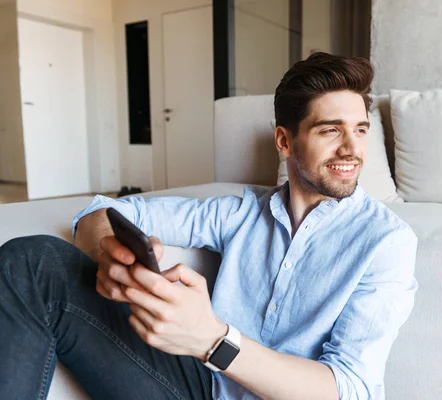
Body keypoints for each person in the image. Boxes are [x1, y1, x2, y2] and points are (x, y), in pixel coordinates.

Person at [0, 52, 418, 399]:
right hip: (199, 388)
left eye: (360, 131)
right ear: (284, 141)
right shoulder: (240, 212)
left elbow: (350, 387)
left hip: (220, 366)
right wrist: (108, 252)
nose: (352, 148)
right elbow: (99, 211)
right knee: (31, 260)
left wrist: (212, 341)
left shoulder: (386, 243)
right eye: (331, 130)